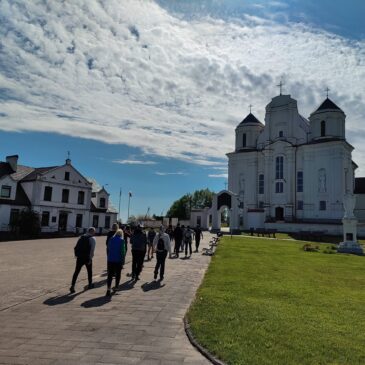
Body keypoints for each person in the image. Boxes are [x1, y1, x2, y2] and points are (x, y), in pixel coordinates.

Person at [70, 227, 96, 293]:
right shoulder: (92, 239)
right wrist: (90, 258)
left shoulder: (81, 237)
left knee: (76, 272)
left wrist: (76, 255)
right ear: (92, 232)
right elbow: (92, 250)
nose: (94, 233)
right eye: (94, 232)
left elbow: (76, 247)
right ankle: (90, 284)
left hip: (80, 257)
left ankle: (72, 286)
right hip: (87, 257)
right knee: (89, 271)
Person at [106, 229, 126, 296]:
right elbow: (123, 252)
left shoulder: (111, 239)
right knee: (118, 274)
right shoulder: (122, 240)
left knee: (110, 275)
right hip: (118, 260)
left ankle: (108, 289)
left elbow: (108, 248)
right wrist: (123, 260)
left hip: (110, 259)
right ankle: (116, 287)